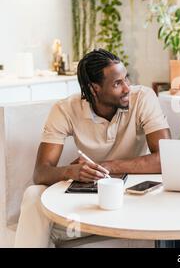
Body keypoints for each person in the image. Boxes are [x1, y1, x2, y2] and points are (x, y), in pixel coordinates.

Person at [14, 49, 171, 247]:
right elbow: (41, 173)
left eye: (126, 79)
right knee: (33, 195)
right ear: (94, 88)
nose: (126, 88)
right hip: (87, 195)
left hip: (132, 193)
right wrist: (71, 171)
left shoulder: (142, 98)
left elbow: (166, 158)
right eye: (117, 83)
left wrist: (103, 166)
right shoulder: (65, 109)